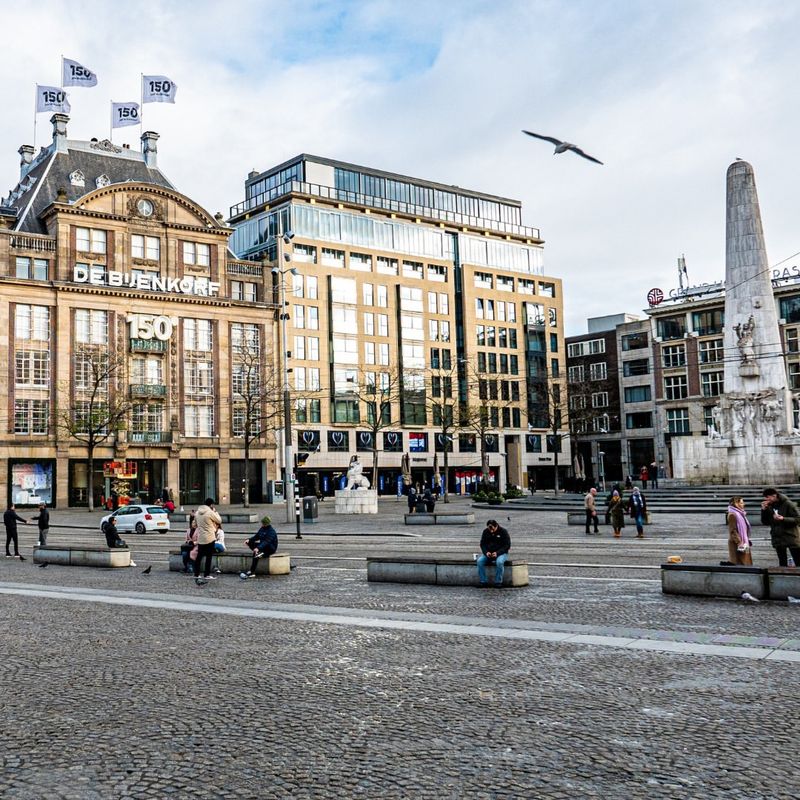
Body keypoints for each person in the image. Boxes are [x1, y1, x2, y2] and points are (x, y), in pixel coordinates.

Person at [760, 488, 800, 568]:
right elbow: (765, 522)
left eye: (768, 497)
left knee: (798, 560)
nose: (766, 499)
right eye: (765, 497)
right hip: (778, 538)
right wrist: (763, 510)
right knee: (782, 563)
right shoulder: (769, 506)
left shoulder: (788, 504)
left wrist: (783, 519)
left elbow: (798, 519)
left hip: (791, 536)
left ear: (774, 496)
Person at [193, 497, 222, 585]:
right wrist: (215, 512)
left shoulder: (197, 512)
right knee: (209, 556)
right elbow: (219, 520)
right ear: (211, 505)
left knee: (199, 556)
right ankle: (206, 574)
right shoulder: (210, 512)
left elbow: (195, 524)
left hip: (201, 537)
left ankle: (196, 574)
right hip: (209, 536)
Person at [476, 519, 511, 587]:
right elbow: (482, 544)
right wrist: (486, 552)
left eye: (493, 529)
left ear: (496, 526)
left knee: (499, 562)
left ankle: (498, 582)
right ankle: (483, 581)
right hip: (488, 553)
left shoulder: (503, 532)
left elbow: (507, 545)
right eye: (489, 529)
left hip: (501, 553)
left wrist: (497, 553)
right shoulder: (486, 531)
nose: (491, 531)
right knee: (480, 561)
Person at [726, 496, 753, 566]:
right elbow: (733, 531)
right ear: (736, 504)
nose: (743, 504)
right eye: (741, 503)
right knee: (740, 563)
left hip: (744, 542)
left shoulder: (741, 514)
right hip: (738, 543)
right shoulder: (732, 515)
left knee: (747, 562)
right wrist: (739, 542)